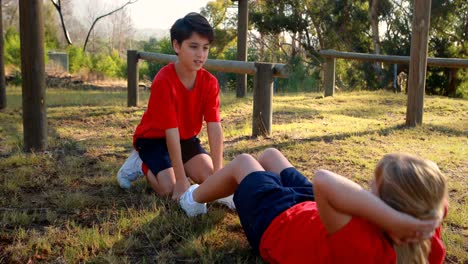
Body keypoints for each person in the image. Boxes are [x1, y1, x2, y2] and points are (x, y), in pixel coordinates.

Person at [179, 148, 447, 264]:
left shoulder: (365, 250)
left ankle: (192, 199)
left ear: (387, 209)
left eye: (371, 189)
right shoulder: (427, 241)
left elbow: (324, 180)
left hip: (275, 223)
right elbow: (437, 202)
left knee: (244, 163)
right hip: (311, 209)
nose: (366, 190)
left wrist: (392, 219)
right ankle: (244, 188)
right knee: (271, 156)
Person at [117, 12, 233, 208]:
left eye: (205, 48)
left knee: (209, 177)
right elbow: (171, 131)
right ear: (177, 46)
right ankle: (140, 163)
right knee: (169, 188)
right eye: (194, 47)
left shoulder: (210, 83)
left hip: (186, 139)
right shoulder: (164, 80)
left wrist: (219, 174)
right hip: (154, 139)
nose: (201, 54)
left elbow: (214, 126)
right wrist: (180, 180)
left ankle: (180, 168)